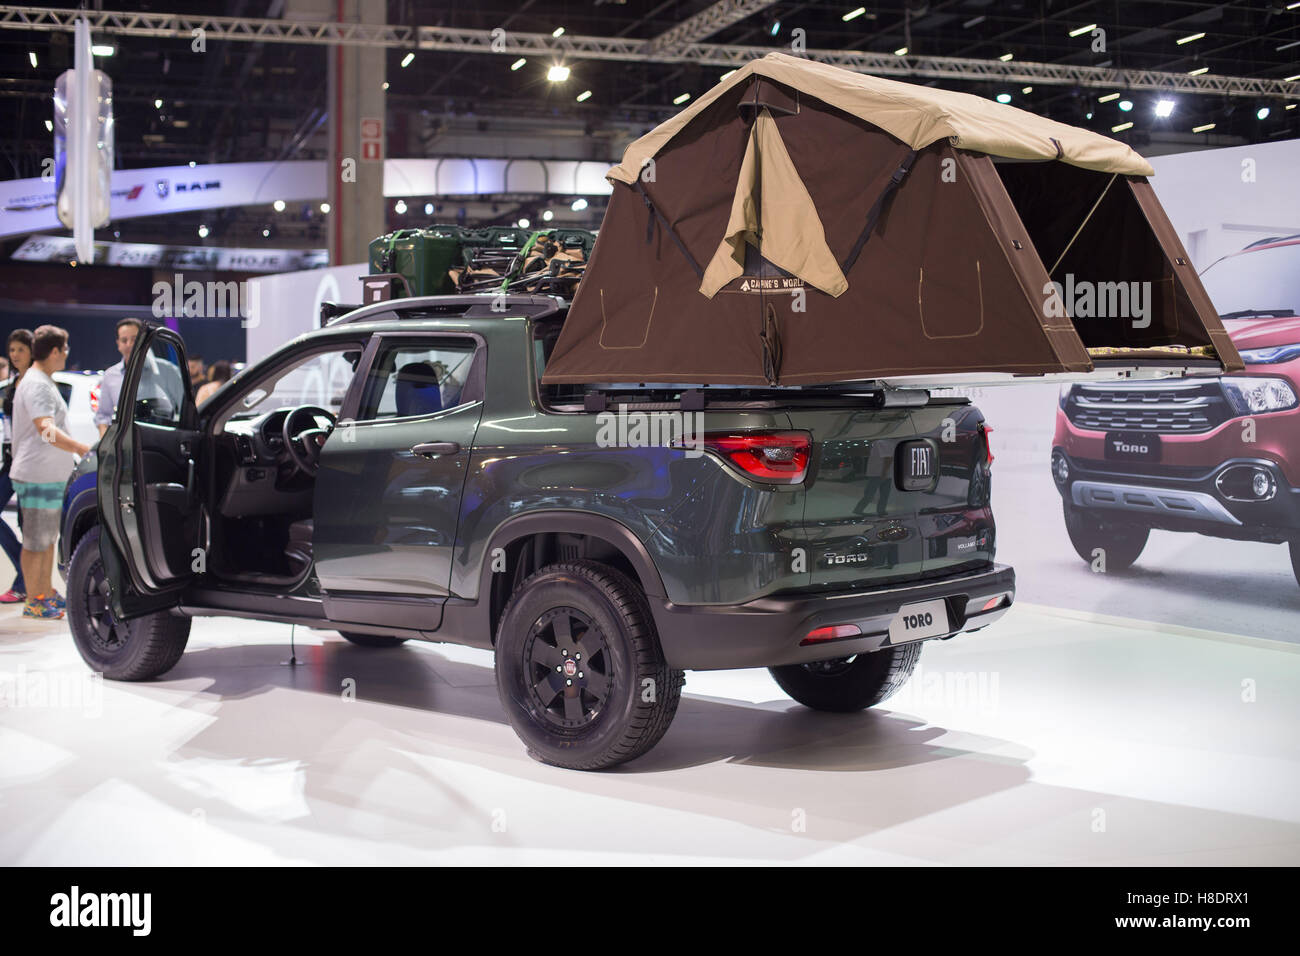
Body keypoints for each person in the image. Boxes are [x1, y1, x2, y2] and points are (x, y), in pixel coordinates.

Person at [10, 325, 90, 619]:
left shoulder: (41, 381)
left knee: (46, 540)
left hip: (46, 474)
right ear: (55, 351)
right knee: (36, 541)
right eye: (65, 349)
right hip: (37, 474)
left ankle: (44, 592)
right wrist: (79, 447)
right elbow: (45, 430)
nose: (67, 354)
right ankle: (34, 599)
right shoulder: (37, 384)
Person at [95, 318, 185, 436]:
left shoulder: (167, 370)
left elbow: (185, 408)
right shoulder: (110, 375)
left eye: (134, 339)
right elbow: (103, 416)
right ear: (118, 344)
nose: (129, 344)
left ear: (144, 341)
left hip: (163, 439)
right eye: (124, 340)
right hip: (125, 443)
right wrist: (106, 448)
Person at [0, 329, 33, 604]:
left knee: (27, 522)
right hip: (10, 459)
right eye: (12, 350)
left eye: (21, 349)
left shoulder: (36, 382)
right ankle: (25, 572)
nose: (15, 355)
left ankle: (25, 583)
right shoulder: (11, 384)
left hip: (30, 461)